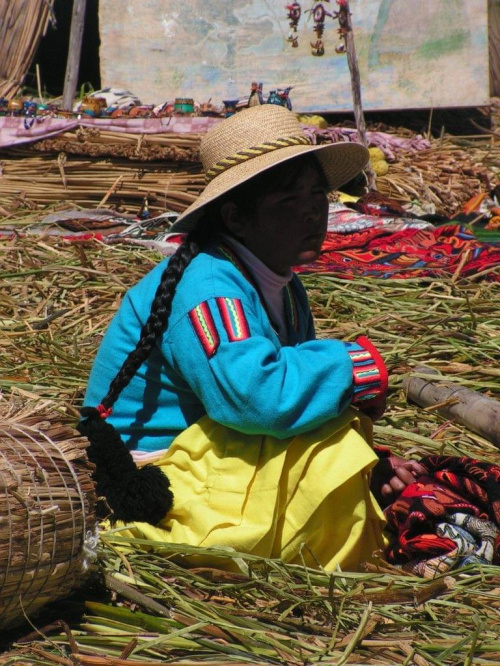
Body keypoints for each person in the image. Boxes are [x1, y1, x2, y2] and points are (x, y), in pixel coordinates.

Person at [80, 104, 424, 572]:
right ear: (237, 218)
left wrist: (367, 461)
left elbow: (288, 406)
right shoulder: (208, 288)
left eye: (317, 194)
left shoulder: (282, 286)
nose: (312, 212)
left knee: (344, 449)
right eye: (288, 200)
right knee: (331, 458)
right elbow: (255, 401)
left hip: (220, 453)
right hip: (154, 478)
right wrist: (355, 365)